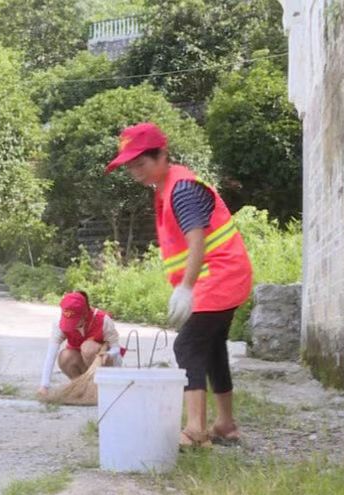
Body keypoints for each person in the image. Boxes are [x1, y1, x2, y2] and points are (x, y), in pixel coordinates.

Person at [106, 123, 253, 448]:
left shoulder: (182, 189)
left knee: (186, 346)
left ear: (162, 155)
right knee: (211, 348)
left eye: (141, 164)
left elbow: (197, 239)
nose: (136, 173)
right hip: (221, 277)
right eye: (130, 167)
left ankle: (196, 429)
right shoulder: (167, 187)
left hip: (218, 276)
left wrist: (185, 287)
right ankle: (225, 425)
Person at [37, 291, 122, 397]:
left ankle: (100, 386)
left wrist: (108, 354)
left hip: (105, 365)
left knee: (87, 347)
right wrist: (44, 386)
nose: (70, 326)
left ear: (84, 315)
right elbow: (51, 355)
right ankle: (81, 387)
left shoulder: (103, 320)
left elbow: (116, 350)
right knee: (65, 356)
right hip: (84, 365)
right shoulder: (59, 324)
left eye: (74, 321)